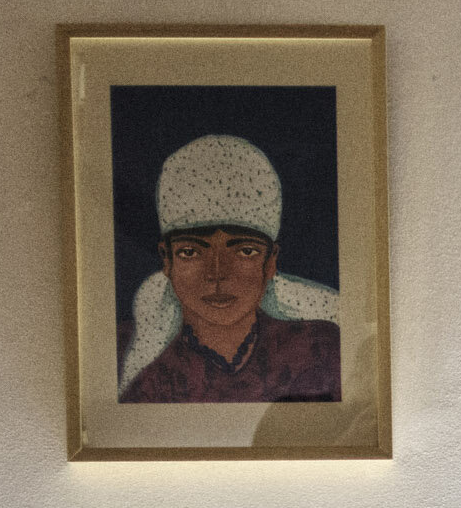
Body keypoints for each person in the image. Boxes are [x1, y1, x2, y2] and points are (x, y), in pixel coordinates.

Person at [119, 133, 342, 403]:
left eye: (245, 251)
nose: (217, 274)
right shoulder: (120, 354)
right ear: (166, 260)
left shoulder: (321, 348)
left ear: (270, 261)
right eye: (190, 252)